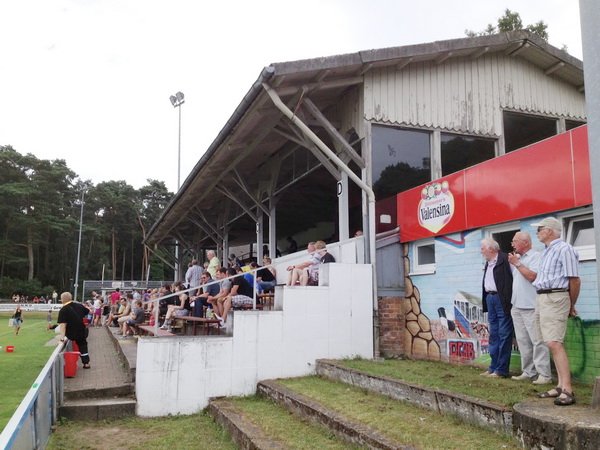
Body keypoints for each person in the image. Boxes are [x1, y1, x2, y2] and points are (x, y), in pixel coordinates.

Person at [531, 217, 581, 406]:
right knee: (549, 341)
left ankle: (568, 389)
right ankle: (560, 385)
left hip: (556, 297)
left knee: (554, 342)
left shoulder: (564, 249)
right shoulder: (547, 251)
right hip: (543, 297)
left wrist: (570, 304)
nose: (537, 232)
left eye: (540, 229)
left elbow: (574, 280)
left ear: (550, 231)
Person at [507, 232, 552, 385]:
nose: (512, 245)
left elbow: (533, 277)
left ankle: (544, 375)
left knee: (538, 341)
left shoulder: (536, 257)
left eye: (514, 242)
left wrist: (517, 264)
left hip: (531, 306)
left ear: (525, 242)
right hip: (517, 306)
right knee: (523, 341)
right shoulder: (517, 259)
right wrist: (516, 262)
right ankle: (528, 372)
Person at [480, 238, 513, 378]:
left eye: (482, 248)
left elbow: (514, 279)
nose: (481, 251)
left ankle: (501, 369)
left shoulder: (506, 259)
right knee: (493, 333)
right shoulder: (488, 263)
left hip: (502, 299)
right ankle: (493, 367)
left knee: (504, 333)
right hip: (490, 298)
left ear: (491, 249)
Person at [57, 292, 91, 369]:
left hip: (71, 333)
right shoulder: (79, 306)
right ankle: (86, 363)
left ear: (62, 300)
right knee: (83, 345)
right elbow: (89, 312)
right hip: (82, 330)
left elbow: (62, 325)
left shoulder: (63, 310)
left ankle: (66, 363)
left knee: (67, 343)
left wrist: (62, 339)